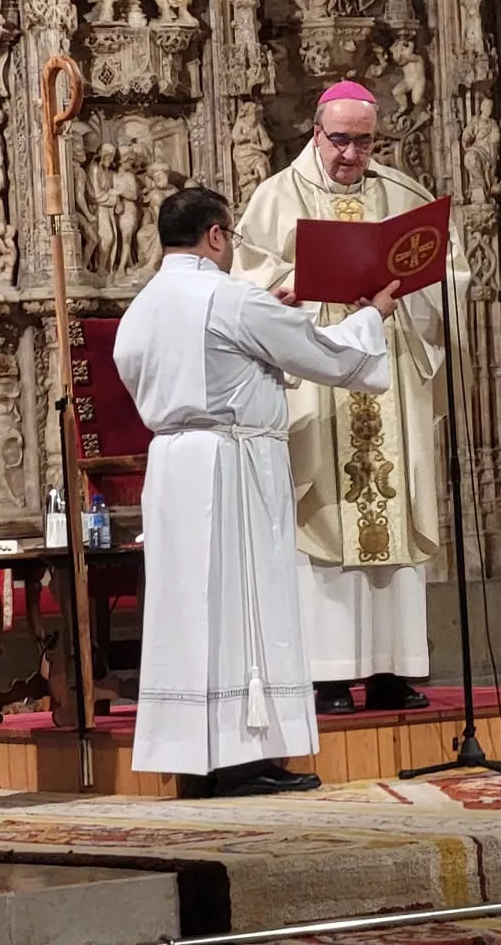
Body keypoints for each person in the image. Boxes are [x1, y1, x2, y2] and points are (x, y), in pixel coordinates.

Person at [116, 187, 400, 796]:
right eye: (231, 239)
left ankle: (200, 760)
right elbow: (326, 356)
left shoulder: (141, 308)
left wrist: (264, 315)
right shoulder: (228, 297)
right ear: (216, 236)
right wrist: (372, 314)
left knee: (190, 612)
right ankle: (242, 760)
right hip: (234, 464)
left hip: (172, 466)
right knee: (244, 604)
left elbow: (214, 355)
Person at [235, 80, 443, 716]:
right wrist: (298, 286)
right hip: (319, 384)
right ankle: (327, 674)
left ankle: (392, 669)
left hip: (389, 381)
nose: (352, 154)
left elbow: (449, 274)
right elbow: (249, 286)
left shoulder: (405, 195)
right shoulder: (276, 198)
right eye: (341, 140)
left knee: (390, 508)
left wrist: (406, 290)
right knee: (322, 510)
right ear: (316, 134)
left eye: (365, 141)